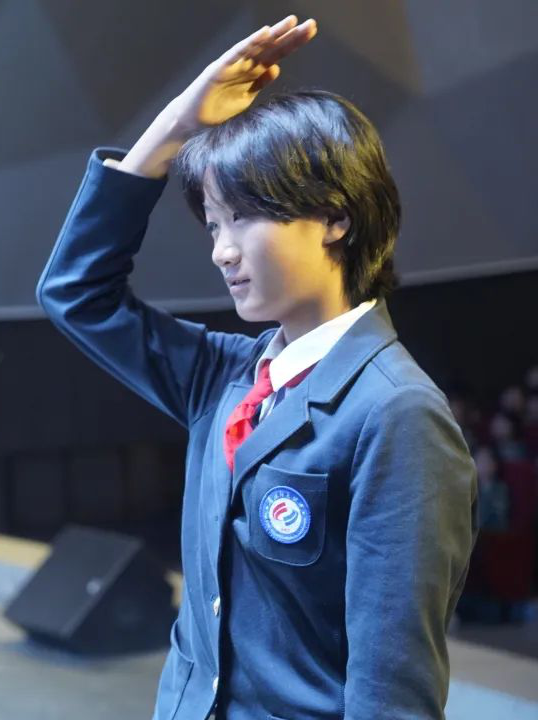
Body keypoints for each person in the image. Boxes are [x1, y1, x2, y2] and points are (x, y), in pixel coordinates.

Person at [37, 15, 477, 720]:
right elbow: (75, 294)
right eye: (214, 224)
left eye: (243, 217)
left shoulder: (396, 413)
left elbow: (391, 689)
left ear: (334, 217)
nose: (222, 250)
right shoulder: (225, 377)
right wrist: (177, 125)